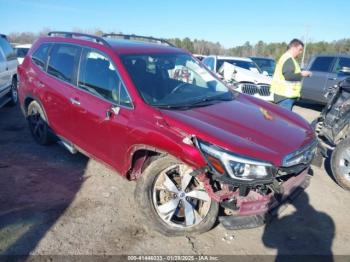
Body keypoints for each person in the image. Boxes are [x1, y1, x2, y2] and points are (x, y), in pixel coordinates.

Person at [271, 39, 312, 110]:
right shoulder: (288, 59)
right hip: (285, 97)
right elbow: (288, 76)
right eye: (300, 49)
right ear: (293, 47)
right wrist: (302, 74)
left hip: (283, 96)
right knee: (284, 120)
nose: (301, 52)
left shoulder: (287, 58)